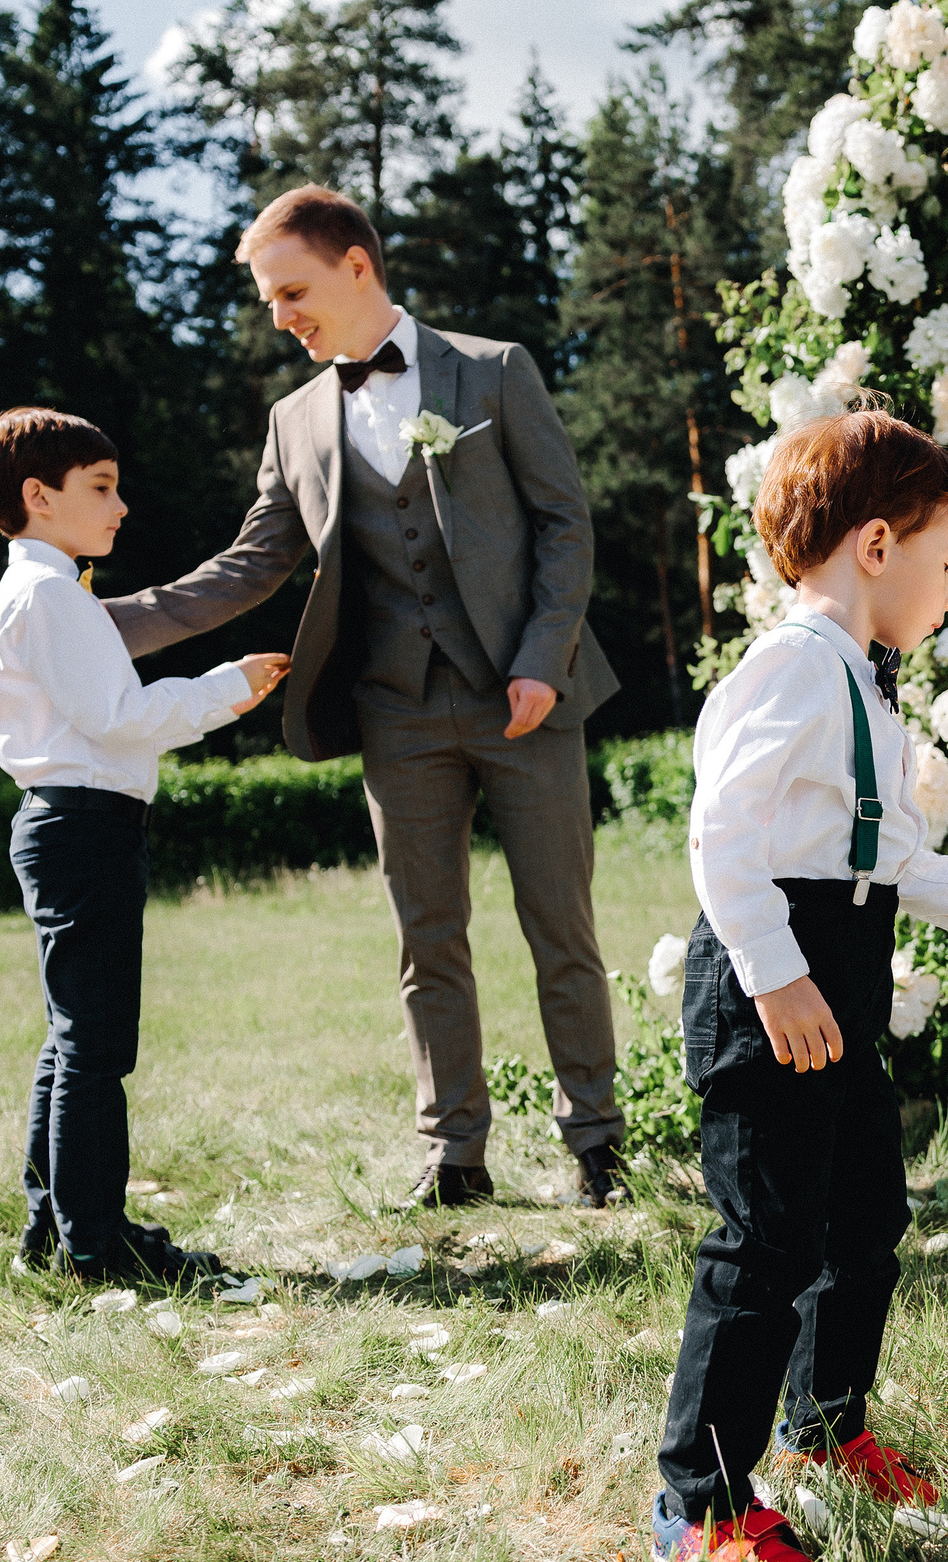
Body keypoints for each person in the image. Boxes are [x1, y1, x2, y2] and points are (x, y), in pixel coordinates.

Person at [97, 185, 629, 1212]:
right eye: (267, 302)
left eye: (291, 290)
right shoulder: (293, 422)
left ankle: (597, 1144)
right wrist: (107, 622)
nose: (281, 316)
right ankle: (455, 1156)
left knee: (558, 923)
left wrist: (538, 658)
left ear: (356, 266)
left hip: (525, 696)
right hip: (395, 710)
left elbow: (566, 527)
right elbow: (250, 565)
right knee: (427, 940)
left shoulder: (494, 369)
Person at [652, 410, 948, 1562]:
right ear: (877, 545)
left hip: (841, 967)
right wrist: (777, 975)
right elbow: (720, 833)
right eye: (946, 565)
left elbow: (886, 858)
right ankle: (702, 1498)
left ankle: (825, 1421)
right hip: (771, 977)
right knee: (764, 1236)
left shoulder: (862, 685)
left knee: (863, 1216)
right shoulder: (790, 666)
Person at [0, 406, 290, 1282]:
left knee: (74, 1041)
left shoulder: (48, 590)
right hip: (82, 828)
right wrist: (226, 688)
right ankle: (96, 1251)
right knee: (95, 1051)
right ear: (39, 496)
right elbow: (116, 721)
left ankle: (58, 1236)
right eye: (101, 489)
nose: (119, 509)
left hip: (73, 825)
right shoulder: (46, 594)